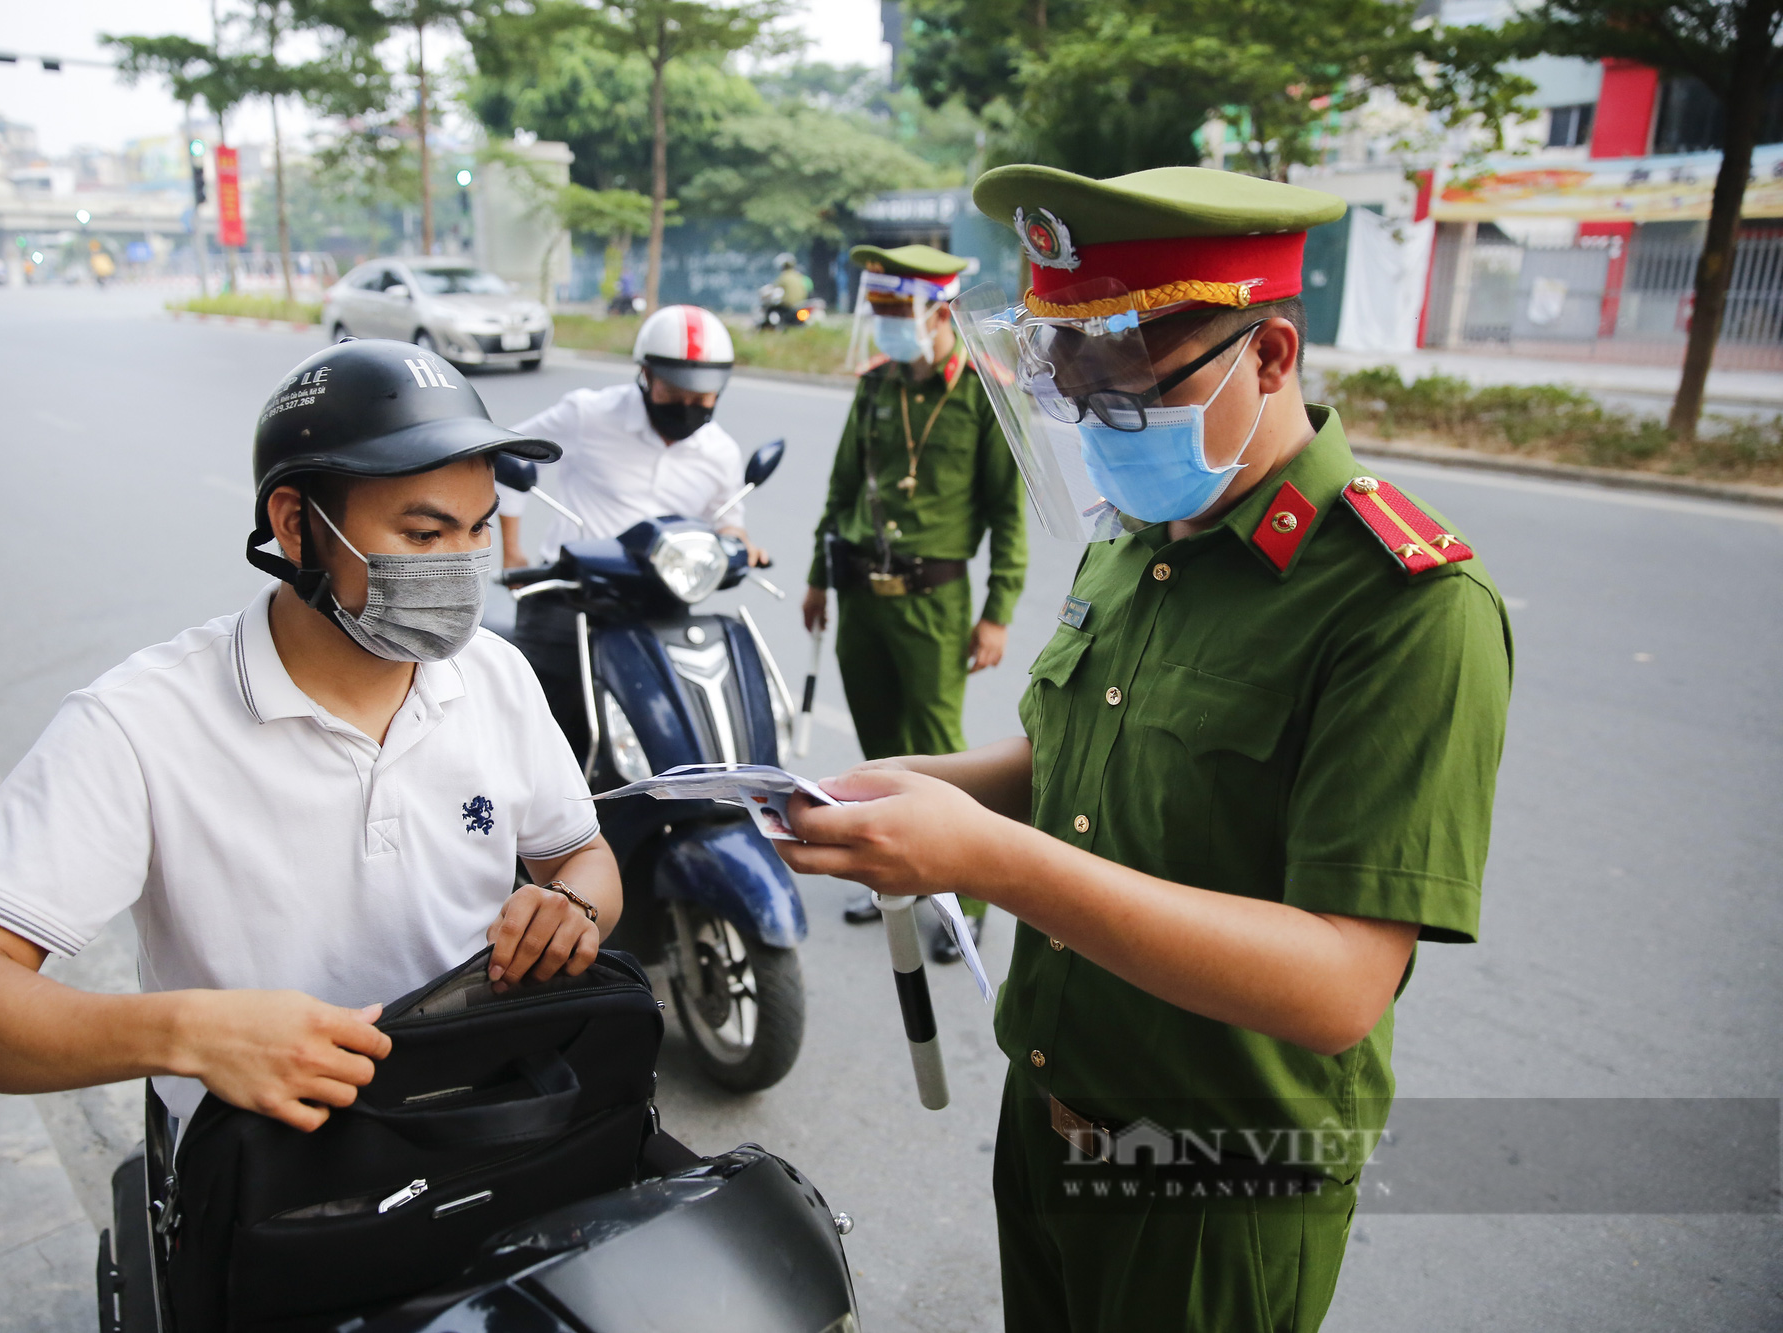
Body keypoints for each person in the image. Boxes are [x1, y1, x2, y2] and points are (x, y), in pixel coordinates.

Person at [777, 166, 1512, 1332]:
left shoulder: (1402, 606)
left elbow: (1336, 985)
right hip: (1048, 1116)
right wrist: (889, 791)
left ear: (1266, 355)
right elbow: (1061, 768)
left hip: (1212, 1179)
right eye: (1067, 384)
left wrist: (982, 859)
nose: (1093, 424)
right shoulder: (1134, 539)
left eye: (1124, 393)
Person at [0, 338, 622, 1138]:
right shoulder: (138, 726)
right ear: (297, 526)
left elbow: (581, 855)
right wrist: (194, 1034)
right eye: (423, 535)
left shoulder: (496, 676)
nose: (463, 567)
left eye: (477, 531)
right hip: (270, 1170)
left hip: (489, 1120)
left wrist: (572, 905)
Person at [805, 243, 1025, 959]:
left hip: (934, 600)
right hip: (861, 593)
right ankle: (891, 877)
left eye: (900, 313)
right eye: (882, 314)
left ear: (939, 312)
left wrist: (998, 611)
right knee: (879, 747)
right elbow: (840, 490)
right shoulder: (876, 386)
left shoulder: (981, 392)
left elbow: (1006, 513)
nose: (889, 328)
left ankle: (968, 895)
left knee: (937, 748)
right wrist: (817, 576)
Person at [498, 303, 768, 758]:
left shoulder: (720, 451)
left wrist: (739, 542)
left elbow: (727, 520)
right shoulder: (589, 414)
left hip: (660, 602)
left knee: (670, 736)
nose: (688, 405)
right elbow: (510, 456)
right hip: (568, 595)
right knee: (540, 735)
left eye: (702, 396)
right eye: (675, 391)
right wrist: (511, 548)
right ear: (645, 375)